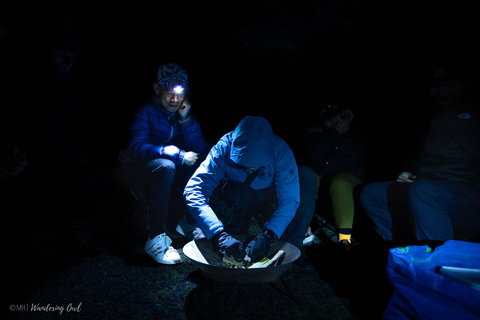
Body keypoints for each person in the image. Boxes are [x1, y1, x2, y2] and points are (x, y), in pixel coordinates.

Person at [360, 64, 480, 243]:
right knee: (371, 193)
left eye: (449, 86)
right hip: (428, 185)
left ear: (464, 85)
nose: (442, 92)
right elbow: (419, 156)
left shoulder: (475, 113)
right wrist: (408, 171)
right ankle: (409, 246)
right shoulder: (430, 117)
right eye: (436, 86)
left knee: (423, 191)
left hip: (468, 194)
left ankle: (438, 258)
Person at [183, 116, 313, 269]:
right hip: (237, 194)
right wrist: (217, 233)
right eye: (243, 162)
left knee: (307, 177)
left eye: (255, 163)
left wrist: (270, 234)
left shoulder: (280, 151)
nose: (250, 167)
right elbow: (194, 190)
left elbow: (289, 199)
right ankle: (230, 236)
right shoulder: (224, 148)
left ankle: (294, 242)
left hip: (269, 192)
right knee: (238, 195)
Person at [116, 63, 208, 265]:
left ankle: (186, 221)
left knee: (201, 161)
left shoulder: (180, 114)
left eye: (179, 93)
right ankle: (155, 237)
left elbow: (200, 148)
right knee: (167, 165)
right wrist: (176, 153)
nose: (175, 99)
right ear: (157, 89)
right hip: (137, 170)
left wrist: (186, 121)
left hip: (166, 173)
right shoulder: (145, 112)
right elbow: (136, 148)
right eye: (169, 93)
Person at [297, 105, 365, 251]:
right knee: (306, 177)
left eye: (336, 117)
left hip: (348, 176)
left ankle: (345, 240)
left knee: (340, 182)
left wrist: (346, 125)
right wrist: (332, 133)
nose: (334, 121)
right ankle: (302, 229)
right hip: (321, 175)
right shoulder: (318, 135)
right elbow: (314, 156)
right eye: (329, 120)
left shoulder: (354, 133)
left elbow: (357, 155)